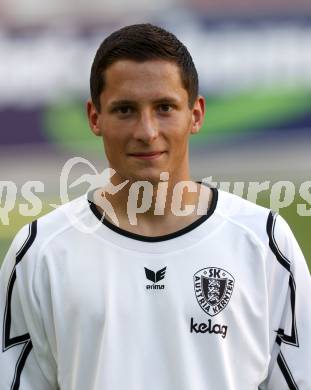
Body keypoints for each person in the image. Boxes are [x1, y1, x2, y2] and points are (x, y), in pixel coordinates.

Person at [0, 23, 310, 390]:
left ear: (195, 114)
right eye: (125, 110)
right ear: (94, 117)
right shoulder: (41, 253)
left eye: (164, 107)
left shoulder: (265, 244)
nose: (146, 131)